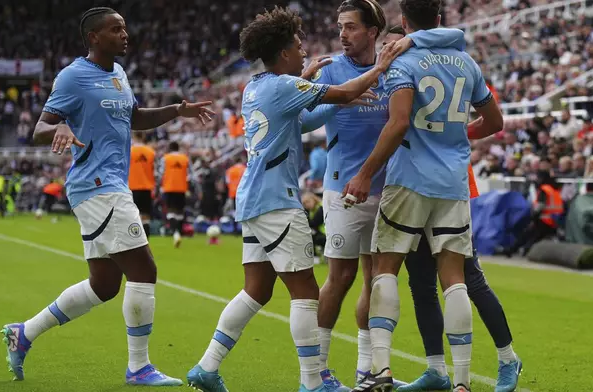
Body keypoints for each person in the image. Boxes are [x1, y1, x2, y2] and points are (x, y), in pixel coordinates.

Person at [185, 6, 402, 392]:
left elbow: (303, 120)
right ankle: (313, 381)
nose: (304, 52)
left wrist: (333, 99)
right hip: (277, 200)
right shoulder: (285, 86)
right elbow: (349, 89)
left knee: (257, 289)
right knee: (305, 291)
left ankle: (207, 366)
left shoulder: (256, 86)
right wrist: (380, 66)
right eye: (299, 46)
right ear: (283, 52)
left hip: (252, 199)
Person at [1, 7, 214, 386]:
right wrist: (60, 126)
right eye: (116, 29)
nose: (124, 34)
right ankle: (139, 368)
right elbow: (39, 128)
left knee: (104, 285)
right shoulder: (72, 76)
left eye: (125, 28)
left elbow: (135, 118)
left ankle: (24, 333)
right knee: (145, 269)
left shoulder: (118, 74)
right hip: (98, 185)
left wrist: (176, 111)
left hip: (110, 184)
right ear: (94, 37)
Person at [343, 0, 504, 390]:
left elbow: (399, 124)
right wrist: (455, 139)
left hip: (409, 180)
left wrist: (364, 173)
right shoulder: (468, 63)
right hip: (452, 184)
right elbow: (495, 121)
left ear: (403, 21)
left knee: (385, 269)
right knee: (455, 281)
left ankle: (380, 369)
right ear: (439, 17)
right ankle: (462, 381)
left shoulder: (403, 61)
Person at [306, 2, 465, 389]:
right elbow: (303, 121)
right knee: (338, 277)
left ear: (373, 31)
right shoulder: (331, 70)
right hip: (344, 187)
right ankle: (316, 373)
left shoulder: (398, 65)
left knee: (375, 280)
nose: (343, 34)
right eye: (340, 26)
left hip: (390, 190)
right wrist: (329, 97)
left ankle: (367, 369)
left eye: (351, 27)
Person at [384, 25, 522, 392]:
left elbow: (489, 121)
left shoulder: (420, 63)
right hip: (419, 182)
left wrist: (457, 134)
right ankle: (436, 370)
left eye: (394, 42)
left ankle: (508, 358)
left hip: (448, 184)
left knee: (469, 278)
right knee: (421, 284)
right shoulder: (429, 68)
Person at [159, 141, 193, 248]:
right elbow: (191, 175)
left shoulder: (165, 158)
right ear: (178, 148)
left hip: (169, 187)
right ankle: (178, 232)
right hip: (182, 188)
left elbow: (160, 173)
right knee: (179, 212)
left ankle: (176, 233)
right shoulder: (185, 159)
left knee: (170, 211)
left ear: (170, 148)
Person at [129, 131, 156, 237]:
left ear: (134, 136)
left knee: (133, 215)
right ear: (143, 136)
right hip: (147, 187)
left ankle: (135, 239)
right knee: (145, 215)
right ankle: (146, 239)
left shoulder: (129, 151)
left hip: (132, 186)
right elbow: (156, 171)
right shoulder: (151, 152)